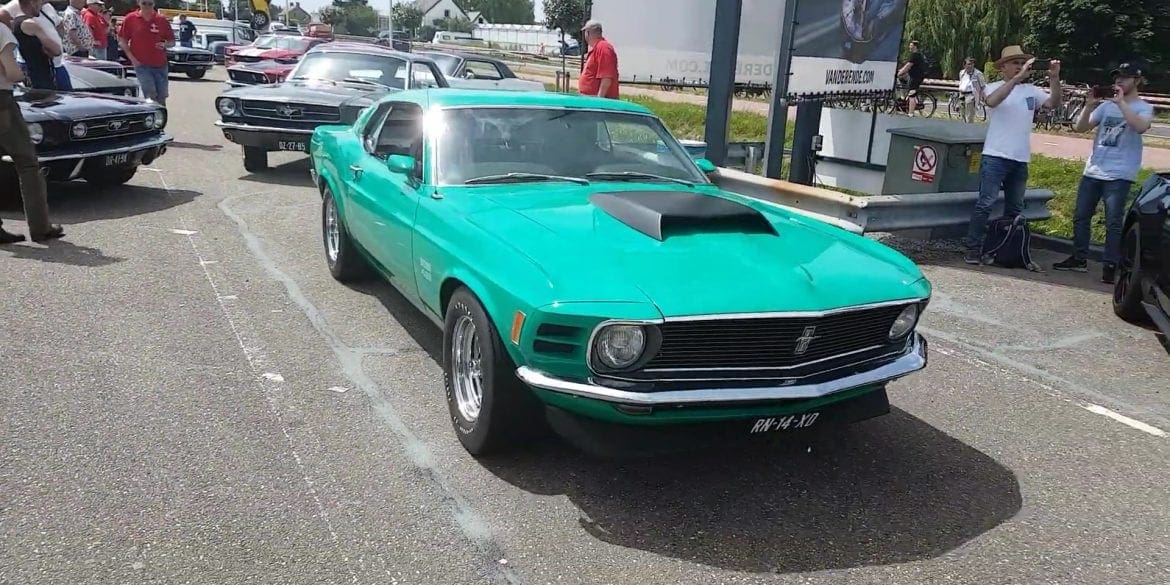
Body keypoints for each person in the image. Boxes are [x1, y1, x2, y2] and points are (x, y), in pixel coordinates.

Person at [1053, 61, 1154, 282]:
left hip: (1120, 173)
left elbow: (1140, 127)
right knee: (1081, 216)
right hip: (1094, 168)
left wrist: (1122, 104)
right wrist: (1089, 105)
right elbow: (1080, 128)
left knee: (1113, 221)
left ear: (1136, 81)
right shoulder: (1106, 107)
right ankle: (1079, 258)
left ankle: (1110, 264)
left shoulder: (1142, 107)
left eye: (1124, 78)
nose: (1118, 81)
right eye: (1116, 77)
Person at [963, 45, 1062, 265]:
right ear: (1004, 68)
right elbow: (991, 101)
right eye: (1015, 63)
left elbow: (1053, 103)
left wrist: (1054, 79)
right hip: (995, 155)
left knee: (1014, 209)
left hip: (1020, 158)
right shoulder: (994, 87)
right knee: (985, 203)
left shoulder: (1031, 91)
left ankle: (1003, 249)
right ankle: (972, 247)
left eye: (1022, 63)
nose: (1019, 66)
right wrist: (1016, 79)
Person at [0, 18, 64, 244]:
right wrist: (22, 75)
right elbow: (11, 71)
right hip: (2, 102)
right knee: (27, 163)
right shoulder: (1, 32)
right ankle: (40, 226)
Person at [1, 0, 71, 90]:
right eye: (39, 2)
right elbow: (56, 51)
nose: (41, 4)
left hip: (33, 73)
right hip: (41, 75)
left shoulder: (17, 22)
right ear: (32, 3)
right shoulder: (30, 24)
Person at [117, 0, 173, 105]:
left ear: (154, 4)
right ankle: (150, 118)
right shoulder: (130, 18)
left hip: (160, 64)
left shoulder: (161, 20)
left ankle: (160, 118)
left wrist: (165, 44)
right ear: (139, 3)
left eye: (150, 4)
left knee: (162, 96)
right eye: (144, 3)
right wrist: (132, 59)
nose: (147, 6)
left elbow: (172, 41)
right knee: (150, 94)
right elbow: (122, 40)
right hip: (141, 64)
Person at [577, 20, 618, 99]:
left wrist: (600, 100)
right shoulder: (597, 48)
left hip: (598, 101)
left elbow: (607, 77)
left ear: (588, 33)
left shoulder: (603, 48)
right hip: (590, 98)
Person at [896, 40, 926, 116]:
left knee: (912, 95)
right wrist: (901, 71)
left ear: (915, 46)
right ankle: (903, 98)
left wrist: (899, 73)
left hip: (915, 77)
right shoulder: (919, 55)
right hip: (916, 76)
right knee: (902, 81)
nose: (909, 47)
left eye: (911, 45)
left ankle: (911, 113)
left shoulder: (914, 55)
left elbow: (908, 66)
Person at [957, 56, 987, 123]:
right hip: (962, 95)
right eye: (969, 64)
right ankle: (963, 130)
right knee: (962, 115)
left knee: (969, 116)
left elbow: (983, 86)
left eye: (972, 64)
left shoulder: (978, 74)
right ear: (964, 65)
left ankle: (969, 131)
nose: (971, 66)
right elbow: (961, 83)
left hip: (971, 96)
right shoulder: (962, 73)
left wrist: (980, 98)